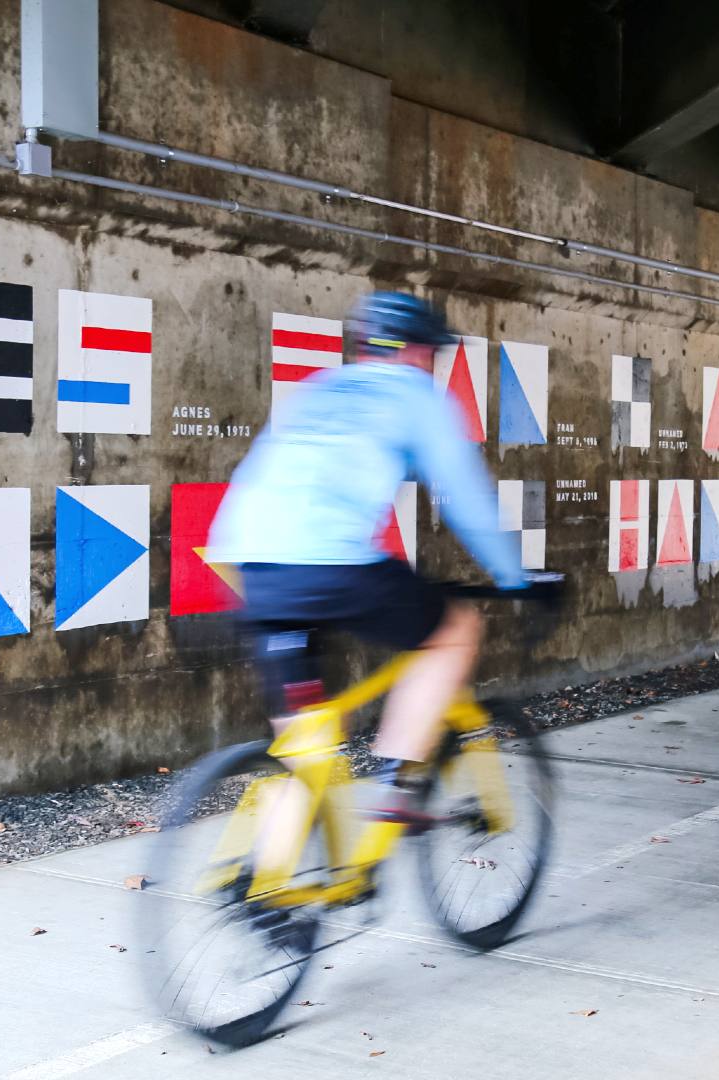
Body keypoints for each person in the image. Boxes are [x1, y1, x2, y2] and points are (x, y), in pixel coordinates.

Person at [209, 291, 527, 820]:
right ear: (419, 351)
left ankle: (264, 894)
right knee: (455, 629)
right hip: (330, 566)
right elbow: (468, 501)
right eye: (432, 354)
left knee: (304, 750)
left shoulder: (320, 388)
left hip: (254, 570)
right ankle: (398, 785)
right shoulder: (415, 397)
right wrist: (514, 576)